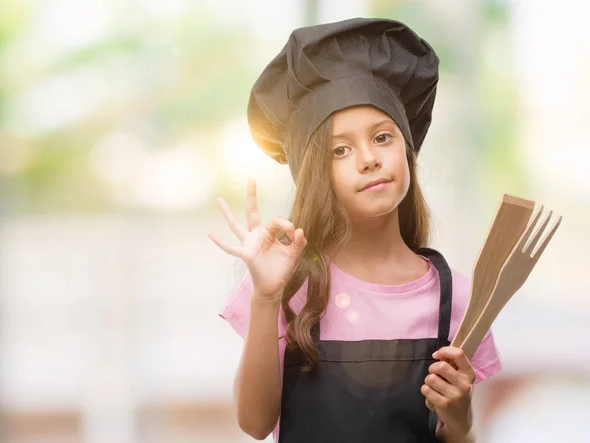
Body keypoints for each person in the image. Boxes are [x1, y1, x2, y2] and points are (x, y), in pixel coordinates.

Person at [208, 17, 502, 443]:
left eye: (382, 138)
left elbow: (458, 438)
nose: (368, 158)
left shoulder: (455, 296)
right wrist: (267, 298)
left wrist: (461, 421)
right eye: (340, 149)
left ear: (407, 150)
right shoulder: (290, 286)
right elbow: (254, 423)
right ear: (316, 176)